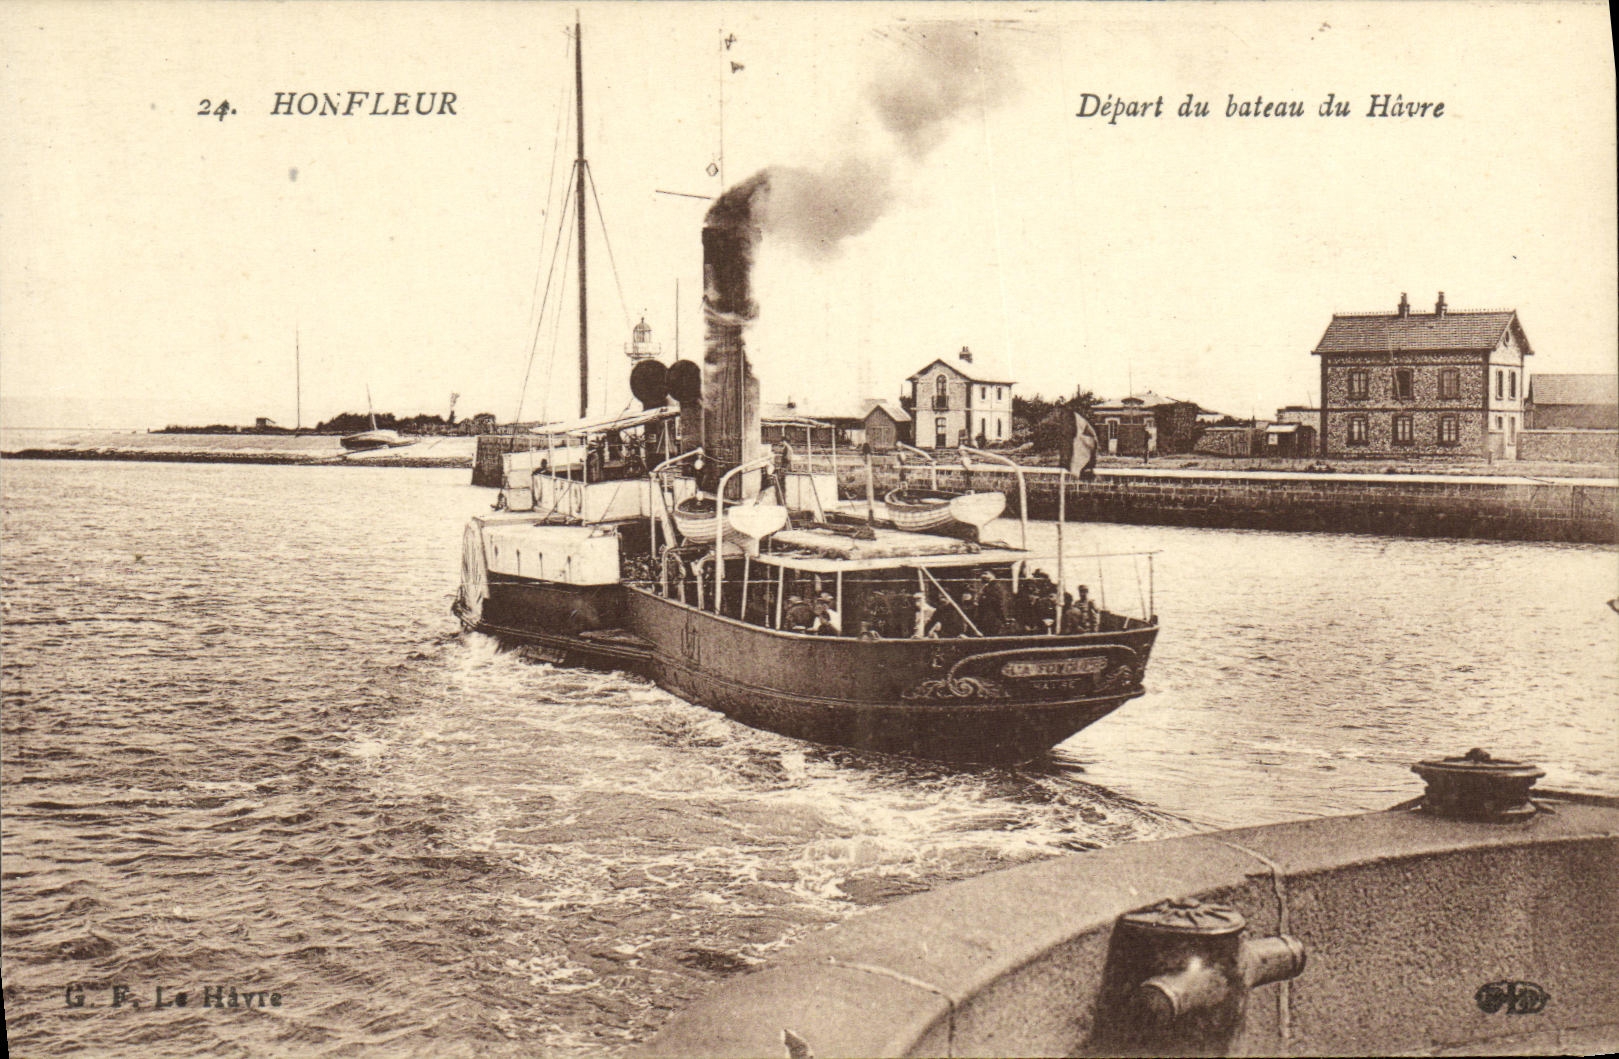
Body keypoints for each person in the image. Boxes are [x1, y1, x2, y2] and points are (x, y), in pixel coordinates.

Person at [976, 570, 1013, 635]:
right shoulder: (988, 587)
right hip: (989, 618)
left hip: (992, 619)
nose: (982, 576)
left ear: (992, 575)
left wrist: (1003, 619)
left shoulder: (994, 587)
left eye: (985, 573)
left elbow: (996, 604)